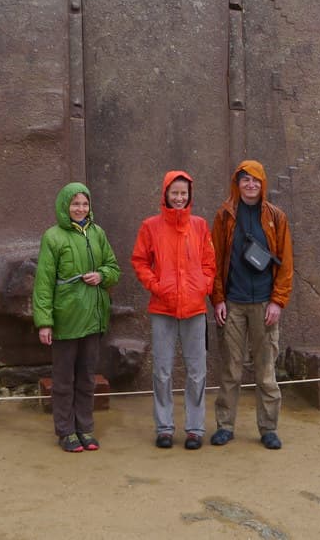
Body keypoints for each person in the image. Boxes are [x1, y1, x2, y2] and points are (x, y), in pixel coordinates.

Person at [209, 160, 293, 450]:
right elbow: (214, 260)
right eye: (245, 179)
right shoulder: (224, 215)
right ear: (237, 183)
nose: (251, 185)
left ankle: (268, 428)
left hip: (265, 304)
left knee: (266, 371)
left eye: (256, 180)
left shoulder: (276, 217)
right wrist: (217, 299)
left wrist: (278, 301)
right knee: (230, 370)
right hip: (233, 303)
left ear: (263, 184)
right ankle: (225, 426)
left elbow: (286, 264)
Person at [131, 171, 217, 450]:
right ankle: (164, 428)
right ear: (165, 194)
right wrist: (156, 286)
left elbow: (210, 263)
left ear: (189, 195)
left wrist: (203, 286)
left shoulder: (200, 226)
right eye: (174, 192)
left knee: (197, 372)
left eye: (183, 193)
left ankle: (194, 429)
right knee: (162, 371)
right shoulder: (150, 226)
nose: (179, 198)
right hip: (162, 308)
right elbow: (140, 261)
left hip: (194, 309)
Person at [32, 182, 120, 453]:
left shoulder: (97, 233)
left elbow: (114, 268)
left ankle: (85, 428)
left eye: (84, 203)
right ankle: (66, 431)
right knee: (63, 380)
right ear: (65, 206)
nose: (80, 208)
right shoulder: (53, 237)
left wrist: (102, 275)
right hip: (66, 319)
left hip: (93, 317)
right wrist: (44, 322)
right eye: (75, 204)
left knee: (86, 377)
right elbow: (43, 282)